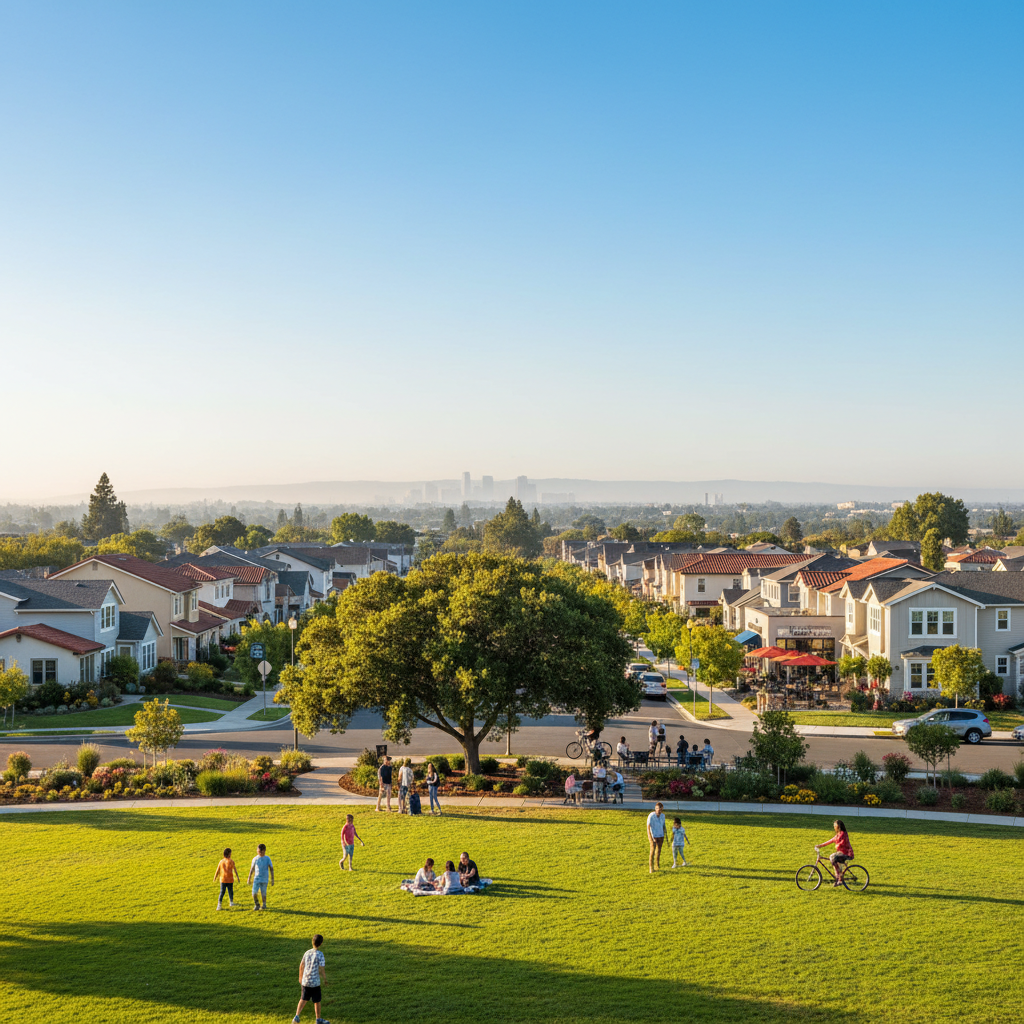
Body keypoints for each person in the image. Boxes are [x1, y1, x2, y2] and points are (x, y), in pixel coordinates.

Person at [292, 933, 328, 1024]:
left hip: (305, 981)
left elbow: (301, 965)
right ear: (321, 943)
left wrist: (300, 978)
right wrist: (325, 979)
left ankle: (296, 1017)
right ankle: (318, 1019)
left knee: (303, 999)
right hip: (315, 982)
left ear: (312, 942)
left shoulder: (307, 953)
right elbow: (321, 968)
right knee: (317, 1001)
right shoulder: (320, 954)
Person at [817, 819, 854, 886]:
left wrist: (838, 845)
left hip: (847, 854)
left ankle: (838, 876)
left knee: (832, 857)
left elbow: (843, 842)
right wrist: (819, 846)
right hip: (841, 853)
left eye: (835, 826)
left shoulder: (843, 834)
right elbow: (830, 841)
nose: (834, 827)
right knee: (834, 861)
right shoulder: (838, 835)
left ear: (838, 827)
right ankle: (839, 878)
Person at [247, 842, 274, 911]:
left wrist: (272, 879)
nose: (259, 853)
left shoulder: (267, 858)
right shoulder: (255, 859)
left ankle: (264, 904)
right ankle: (257, 904)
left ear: (264, 851)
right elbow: (252, 869)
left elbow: (271, 868)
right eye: (258, 851)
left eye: (261, 852)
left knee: (263, 893)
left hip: (264, 879)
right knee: (254, 893)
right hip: (257, 879)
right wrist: (249, 878)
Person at [647, 801, 666, 873]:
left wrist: (664, 834)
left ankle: (657, 865)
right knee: (652, 851)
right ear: (655, 808)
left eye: (660, 809)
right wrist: (651, 837)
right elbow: (648, 827)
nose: (659, 810)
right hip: (653, 836)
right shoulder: (651, 816)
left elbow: (663, 825)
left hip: (660, 835)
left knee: (659, 851)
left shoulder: (663, 816)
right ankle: (651, 868)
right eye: (657, 809)